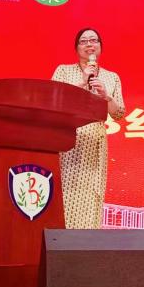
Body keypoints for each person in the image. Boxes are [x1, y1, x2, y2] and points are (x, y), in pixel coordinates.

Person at [51, 28, 125, 229]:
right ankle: (60, 238)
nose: (89, 44)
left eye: (94, 40)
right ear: (77, 48)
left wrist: (106, 97)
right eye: (84, 41)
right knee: (65, 190)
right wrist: (83, 81)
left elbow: (119, 113)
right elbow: (54, 99)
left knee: (93, 193)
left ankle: (87, 239)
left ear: (100, 46)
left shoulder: (111, 77)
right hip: (67, 140)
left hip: (95, 143)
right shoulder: (64, 71)